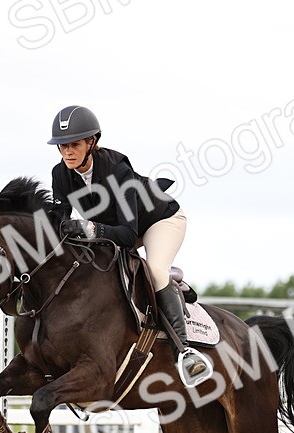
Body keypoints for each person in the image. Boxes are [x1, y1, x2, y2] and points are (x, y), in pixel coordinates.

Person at [47, 104, 213, 386]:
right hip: (115, 228)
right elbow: (58, 222)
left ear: (92, 143)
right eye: (62, 146)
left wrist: (89, 229)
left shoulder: (117, 170)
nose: (67, 152)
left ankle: (184, 351)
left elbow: (127, 235)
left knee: (156, 271)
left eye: (75, 145)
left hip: (159, 221)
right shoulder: (60, 174)